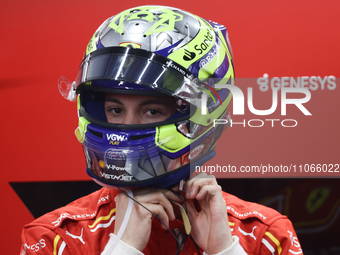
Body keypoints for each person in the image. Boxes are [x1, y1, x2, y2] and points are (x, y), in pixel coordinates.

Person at [20, 5, 303, 255]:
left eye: (151, 110)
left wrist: (224, 250)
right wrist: (123, 248)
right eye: (115, 110)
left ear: (203, 113)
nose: (126, 127)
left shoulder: (265, 236)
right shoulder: (52, 239)